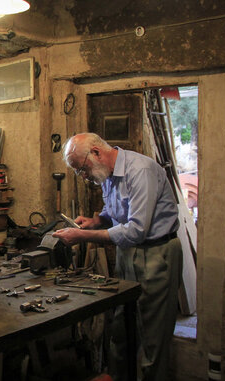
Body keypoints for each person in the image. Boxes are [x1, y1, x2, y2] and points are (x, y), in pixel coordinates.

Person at [52, 133, 182, 381]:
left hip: (156, 253)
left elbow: (136, 229)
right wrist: (96, 221)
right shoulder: (106, 175)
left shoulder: (140, 171)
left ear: (96, 153)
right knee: (122, 330)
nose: (84, 176)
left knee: (153, 335)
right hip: (128, 254)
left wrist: (82, 237)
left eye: (82, 169)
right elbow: (115, 213)